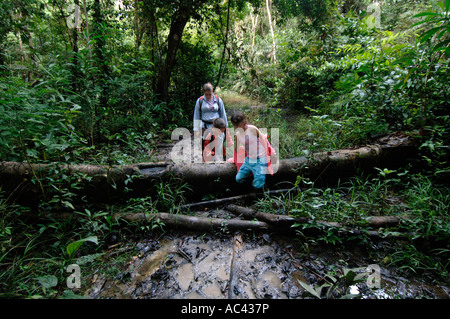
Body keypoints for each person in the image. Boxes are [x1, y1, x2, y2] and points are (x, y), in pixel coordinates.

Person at [231, 111, 275, 190]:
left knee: (258, 185)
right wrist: (236, 158)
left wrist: (268, 154)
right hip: (249, 159)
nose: (238, 127)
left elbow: (264, 140)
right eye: (236, 125)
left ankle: (261, 191)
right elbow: (236, 149)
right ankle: (249, 185)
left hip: (260, 158)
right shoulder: (237, 134)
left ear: (244, 121)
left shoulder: (252, 129)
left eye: (239, 124)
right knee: (238, 179)